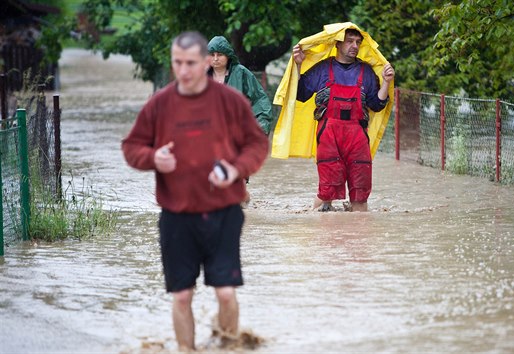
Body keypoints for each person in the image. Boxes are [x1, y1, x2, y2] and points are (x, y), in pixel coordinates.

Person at [121, 31, 269, 351]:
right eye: (178, 63)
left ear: (205, 62)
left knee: (226, 292)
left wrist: (236, 169)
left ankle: (229, 345)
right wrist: (153, 158)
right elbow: (132, 147)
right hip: (177, 215)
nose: (184, 70)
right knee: (182, 294)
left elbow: (257, 144)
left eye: (191, 63)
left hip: (224, 213)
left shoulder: (230, 101)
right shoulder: (160, 104)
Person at [292, 28, 395, 212]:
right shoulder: (323, 68)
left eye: (357, 42)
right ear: (337, 43)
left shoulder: (367, 72)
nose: (354, 46)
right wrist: (298, 65)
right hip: (328, 136)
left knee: (360, 195)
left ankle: (359, 237)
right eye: (349, 41)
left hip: (357, 137)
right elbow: (300, 94)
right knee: (326, 194)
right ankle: (318, 230)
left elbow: (377, 105)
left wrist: (386, 82)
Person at [207, 35, 273, 205]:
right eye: (212, 54)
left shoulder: (242, 74)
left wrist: (261, 125)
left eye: (219, 54)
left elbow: (260, 99)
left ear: (227, 55)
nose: (215, 59)